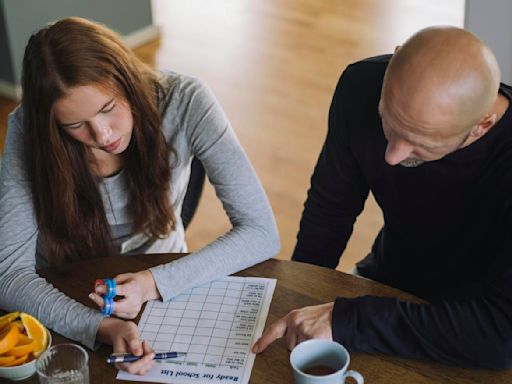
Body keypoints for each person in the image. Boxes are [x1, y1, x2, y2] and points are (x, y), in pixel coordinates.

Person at [0, 17, 279, 375]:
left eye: (108, 108)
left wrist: (153, 283)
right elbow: (9, 274)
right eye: (74, 126)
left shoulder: (186, 101)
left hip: (167, 279)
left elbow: (261, 232)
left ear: (128, 82)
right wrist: (102, 327)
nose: (102, 135)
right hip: (61, 293)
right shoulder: (29, 130)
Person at [253, 26, 512, 369]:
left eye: (421, 144)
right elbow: (330, 209)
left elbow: (500, 337)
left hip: (470, 327)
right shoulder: (361, 84)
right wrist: (300, 292)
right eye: (388, 123)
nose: (392, 155)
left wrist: (348, 319)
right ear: (394, 58)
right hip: (384, 282)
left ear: (483, 126)